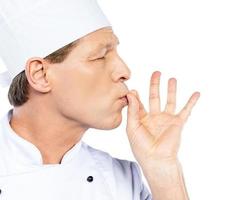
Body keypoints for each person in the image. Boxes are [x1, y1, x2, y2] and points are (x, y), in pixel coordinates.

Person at [0, 0, 200, 199]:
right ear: (40, 74)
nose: (125, 71)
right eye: (100, 56)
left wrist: (164, 171)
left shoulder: (122, 181)